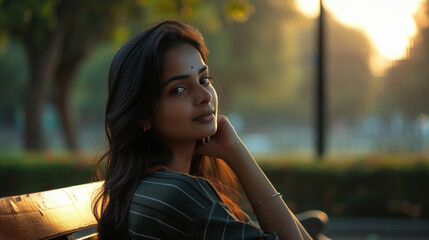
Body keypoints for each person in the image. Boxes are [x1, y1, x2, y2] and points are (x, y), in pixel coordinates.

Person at [92, 19, 313, 240]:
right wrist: (237, 152)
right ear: (143, 116)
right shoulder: (181, 195)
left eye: (204, 79)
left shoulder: (143, 187)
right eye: (179, 89)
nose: (205, 96)